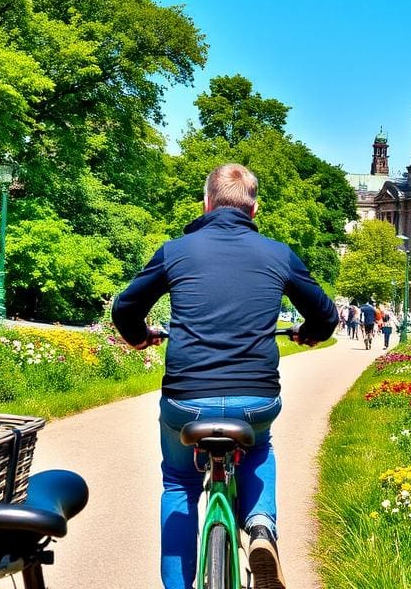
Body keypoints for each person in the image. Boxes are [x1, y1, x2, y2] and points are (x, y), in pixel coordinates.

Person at [111, 163, 338, 589]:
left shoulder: (176, 250)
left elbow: (124, 309)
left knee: (178, 482)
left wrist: (140, 337)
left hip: (186, 402)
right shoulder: (278, 253)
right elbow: (326, 316)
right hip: (255, 401)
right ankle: (261, 529)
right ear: (254, 210)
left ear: (206, 203)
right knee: (259, 446)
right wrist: (308, 334)